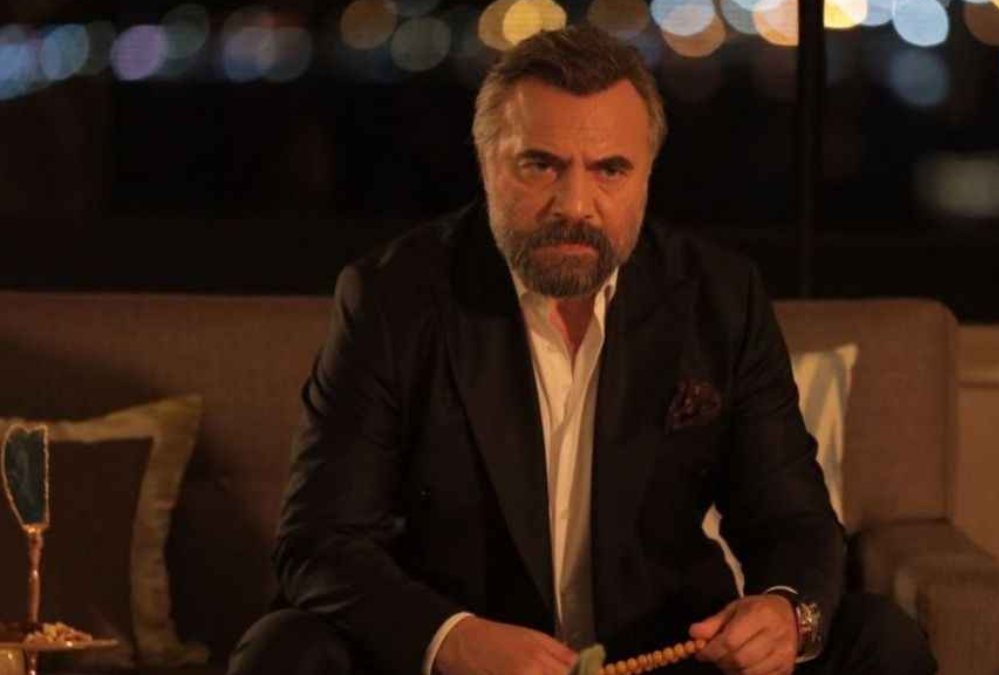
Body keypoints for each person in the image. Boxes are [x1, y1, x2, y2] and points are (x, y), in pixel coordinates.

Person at [228, 25, 935, 675]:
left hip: (662, 659)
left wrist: (784, 613)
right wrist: (453, 638)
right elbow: (320, 541)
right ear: (488, 164)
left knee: (880, 638)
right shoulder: (394, 297)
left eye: (609, 170)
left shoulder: (719, 297)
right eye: (541, 166)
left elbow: (794, 521)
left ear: (647, 175)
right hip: (469, 661)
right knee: (283, 650)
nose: (574, 204)